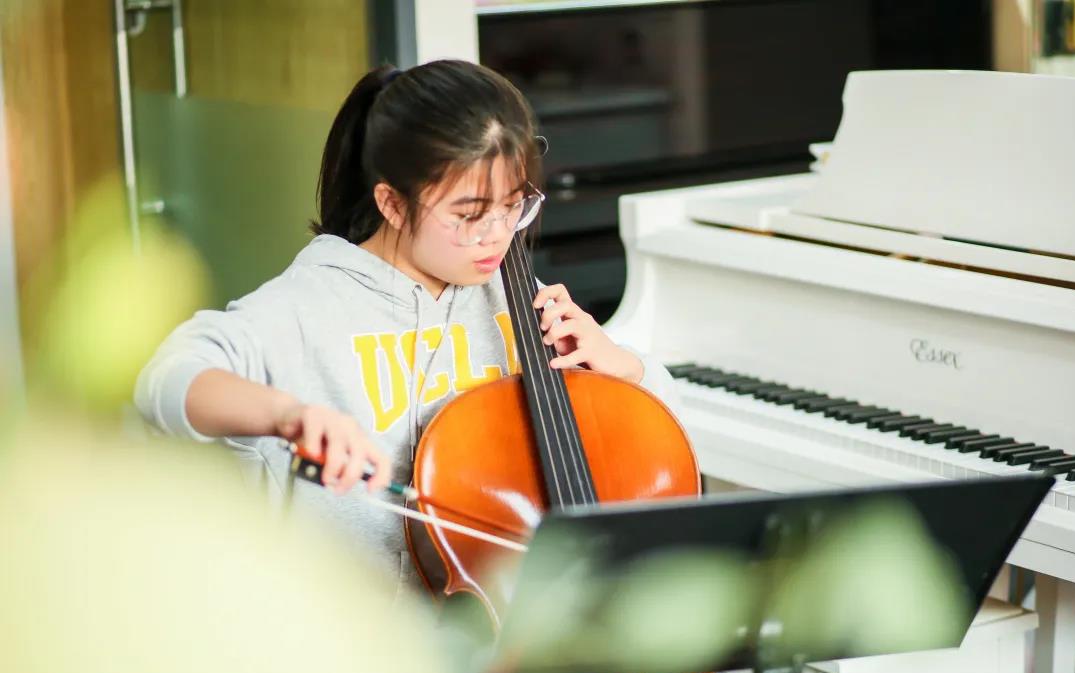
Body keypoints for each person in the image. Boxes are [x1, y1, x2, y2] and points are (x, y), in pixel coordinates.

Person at [135, 59, 678, 591]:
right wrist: (289, 415)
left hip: (497, 636)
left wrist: (624, 369)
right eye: (469, 215)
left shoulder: (516, 296)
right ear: (393, 204)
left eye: (515, 206)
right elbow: (164, 381)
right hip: (360, 647)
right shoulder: (309, 307)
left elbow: (655, 446)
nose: (498, 235)